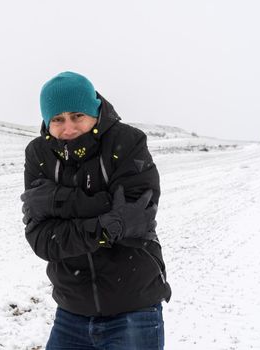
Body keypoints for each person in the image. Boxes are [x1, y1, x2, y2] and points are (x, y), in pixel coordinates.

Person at [21, 71, 171, 349]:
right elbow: (42, 240)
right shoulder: (38, 154)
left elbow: (136, 219)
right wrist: (106, 219)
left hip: (134, 307)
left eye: (77, 115)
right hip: (71, 312)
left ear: (95, 110)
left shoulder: (127, 141)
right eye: (57, 119)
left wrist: (55, 201)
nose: (68, 128)